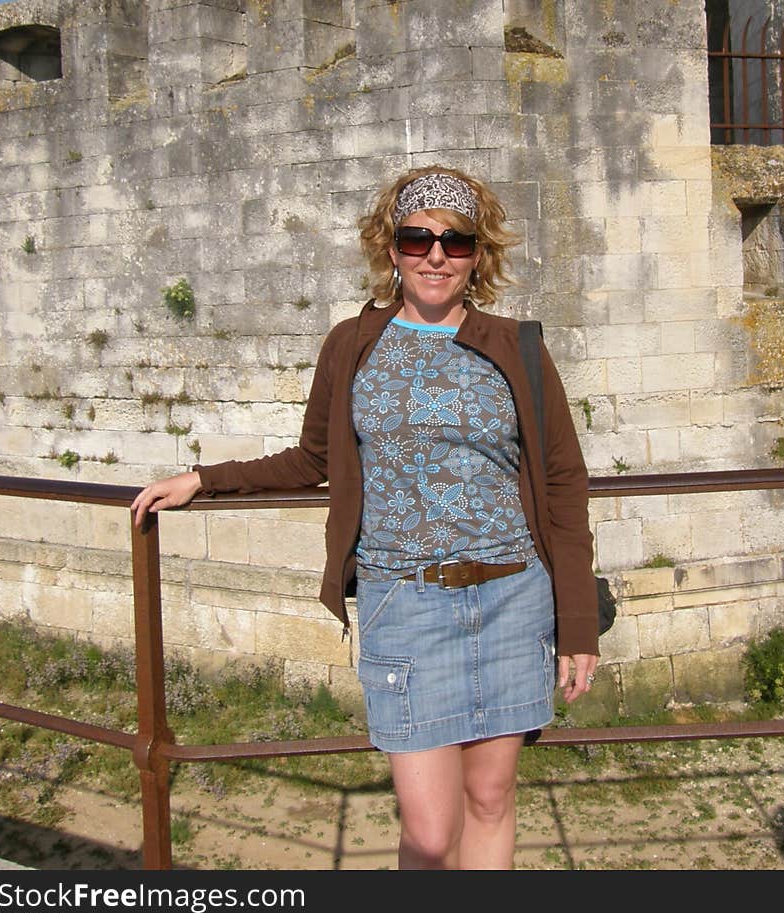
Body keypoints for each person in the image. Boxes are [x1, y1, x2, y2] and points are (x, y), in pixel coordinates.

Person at [131, 165, 599, 870]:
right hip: (404, 603)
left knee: (492, 801)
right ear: (392, 250)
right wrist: (204, 478)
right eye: (417, 239)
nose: (435, 255)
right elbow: (310, 457)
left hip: (512, 598)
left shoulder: (518, 348)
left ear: (479, 255)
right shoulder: (354, 344)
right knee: (430, 832)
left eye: (456, 241)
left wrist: (578, 624)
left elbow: (564, 486)